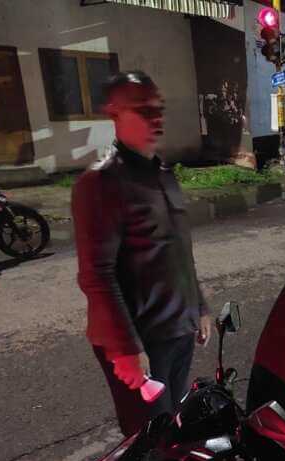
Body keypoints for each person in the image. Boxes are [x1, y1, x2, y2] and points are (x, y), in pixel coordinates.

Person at [72, 71, 211, 436]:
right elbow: (96, 276)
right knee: (147, 439)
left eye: (158, 109)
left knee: (174, 424)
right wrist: (125, 349)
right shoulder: (100, 184)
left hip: (177, 327)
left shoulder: (164, 173)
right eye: (143, 109)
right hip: (140, 338)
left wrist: (200, 306)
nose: (156, 118)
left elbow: (180, 249)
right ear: (114, 113)